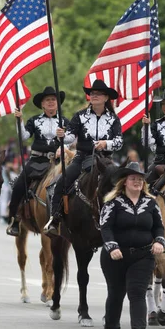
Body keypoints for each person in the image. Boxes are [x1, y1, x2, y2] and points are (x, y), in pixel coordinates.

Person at [99, 161, 165, 329]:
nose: (137, 182)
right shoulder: (112, 202)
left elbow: (159, 227)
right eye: (133, 179)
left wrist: (160, 241)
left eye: (140, 179)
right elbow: (105, 228)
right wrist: (112, 247)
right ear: (125, 181)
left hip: (143, 255)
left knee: (137, 293)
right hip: (116, 256)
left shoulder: (151, 203)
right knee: (116, 293)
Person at [44, 79, 123, 236]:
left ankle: (122, 219)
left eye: (98, 94)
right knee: (61, 182)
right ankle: (55, 219)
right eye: (92, 93)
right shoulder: (80, 116)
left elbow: (119, 142)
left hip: (106, 161)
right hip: (81, 158)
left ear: (106, 98)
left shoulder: (113, 119)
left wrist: (105, 144)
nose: (94, 96)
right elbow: (70, 137)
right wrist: (62, 135)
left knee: (122, 185)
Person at [6, 87, 71, 236]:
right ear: (42, 104)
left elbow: (69, 138)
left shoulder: (65, 121)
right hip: (37, 161)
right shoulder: (34, 120)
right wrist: (19, 120)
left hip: (57, 162)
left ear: (58, 103)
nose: (51, 102)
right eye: (47, 100)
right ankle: (15, 219)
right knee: (18, 185)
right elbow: (23, 136)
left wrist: (64, 147)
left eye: (53, 99)